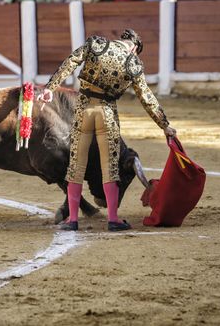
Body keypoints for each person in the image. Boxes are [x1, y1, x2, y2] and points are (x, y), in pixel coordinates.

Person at [37, 29, 176, 231]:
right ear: (135, 48)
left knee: (76, 165)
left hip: (83, 108)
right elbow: (147, 98)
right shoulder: (133, 63)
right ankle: (113, 219)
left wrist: (50, 88)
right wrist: (165, 125)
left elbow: (71, 62)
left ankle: (73, 219)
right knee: (109, 166)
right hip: (107, 113)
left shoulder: (97, 44)